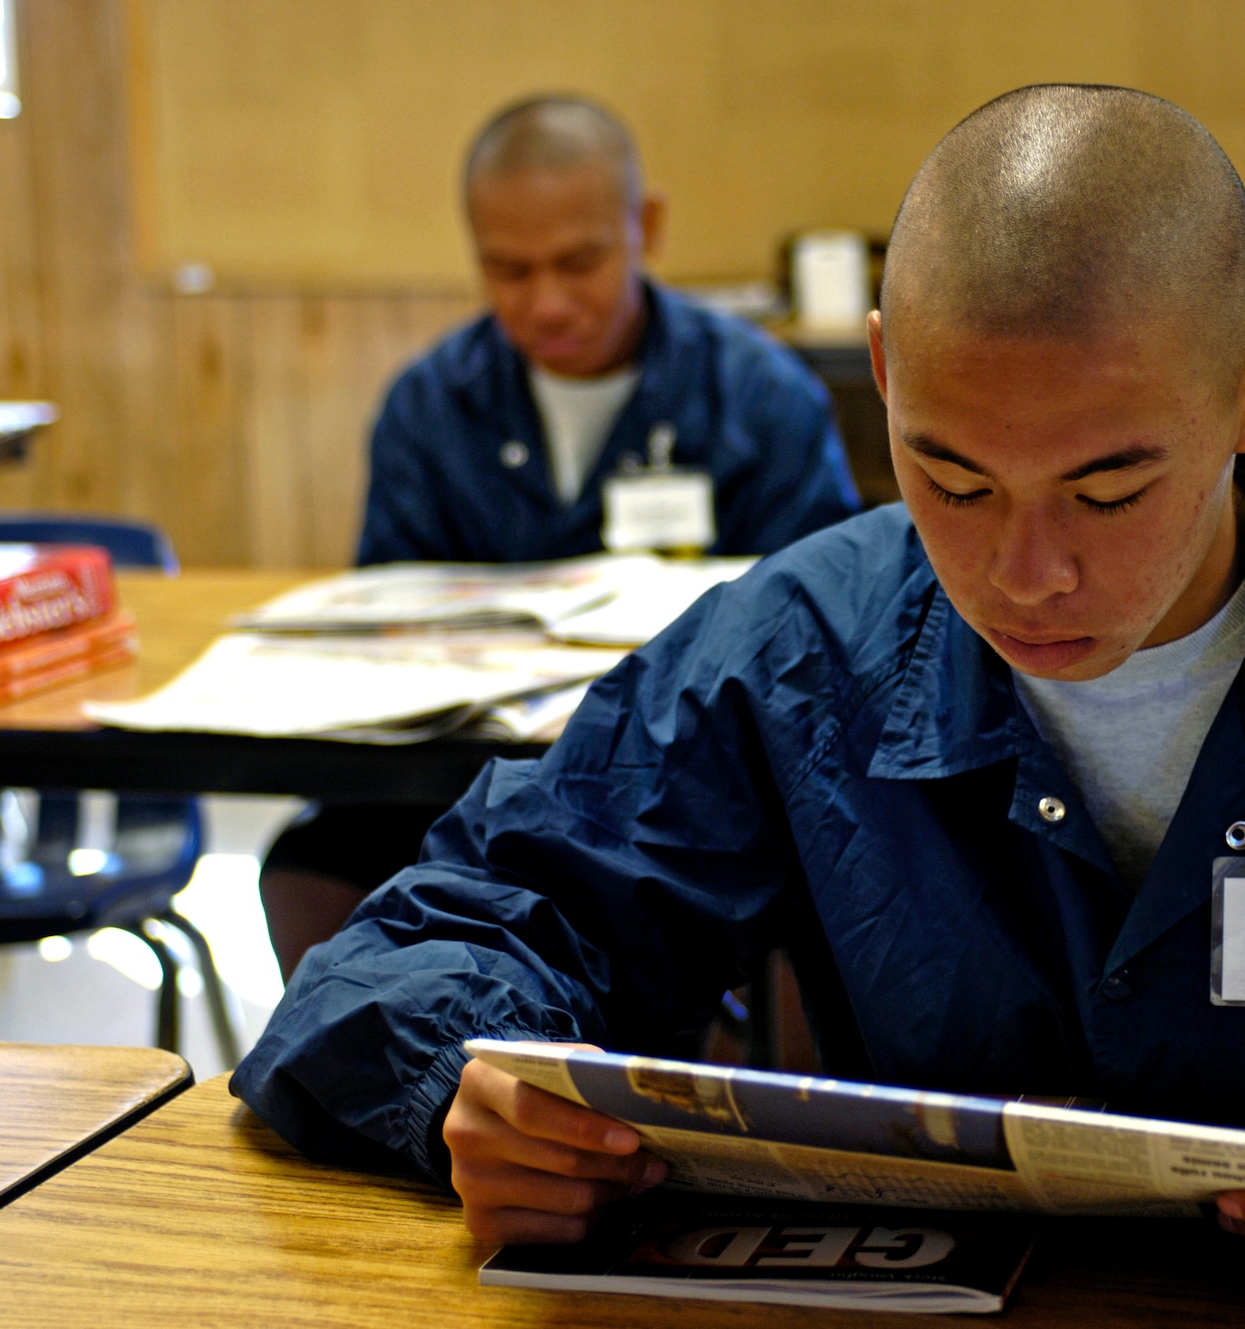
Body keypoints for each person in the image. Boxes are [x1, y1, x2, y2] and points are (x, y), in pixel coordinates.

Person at [233, 86, 1245, 1311]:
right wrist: (473, 1080)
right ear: (882, 370)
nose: (1026, 569)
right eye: (947, 473)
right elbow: (422, 939)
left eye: (1109, 489)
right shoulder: (805, 636)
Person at [259, 96, 861, 976]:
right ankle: (405, 1091)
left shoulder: (763, 399)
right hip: (468, 787)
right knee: (312, 864)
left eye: (580, 263)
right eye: (509, 271)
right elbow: (384, 630)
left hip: (689, 791)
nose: (547, 303)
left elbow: (827, 634)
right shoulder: (430, 406)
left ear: (645, 227)